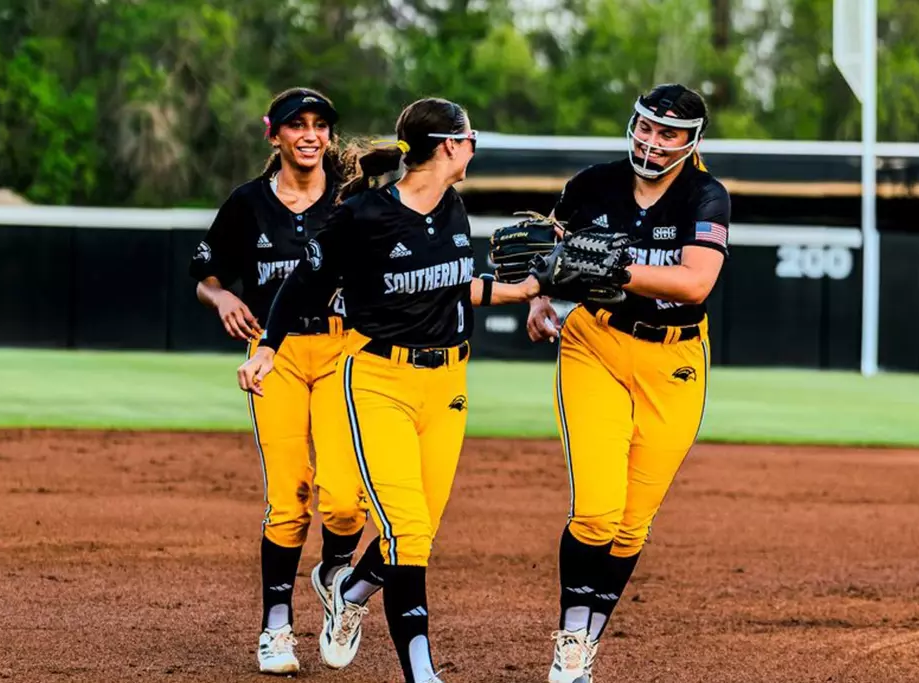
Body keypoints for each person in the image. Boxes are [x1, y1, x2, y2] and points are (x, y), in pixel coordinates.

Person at [239, 97, 542, 683]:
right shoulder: (363, 215)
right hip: (379, 380)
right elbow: (304, 283)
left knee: (423, 523)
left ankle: (351, 592)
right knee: (409, 531)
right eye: (470, 137)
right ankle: (421, 671)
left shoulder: (452, 207)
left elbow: (455, 286)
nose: (473, 147)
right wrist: (269, 348)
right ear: (449, 146)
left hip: (447, 384)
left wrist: (529, 290)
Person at [526, 83, 731, 683]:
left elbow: (695, 284)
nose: (652, 140)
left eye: (668, 133)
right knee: (597, 512)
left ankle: (588, 639)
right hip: (597, 343)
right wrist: (538, 297)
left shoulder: (705, 195)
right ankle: (570, 642)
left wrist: (617, 267)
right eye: (646, 127)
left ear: (691, 141)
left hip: (675, 359)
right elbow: (551, 252)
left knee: (632, 522)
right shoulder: (592, 184)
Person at [190, 87, 368, 675]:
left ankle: (334, 574)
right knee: (289, 497)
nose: (310, 135)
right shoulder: (248, 203)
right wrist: (221, 297)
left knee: (344, 499)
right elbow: (206, 274)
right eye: (297, 125)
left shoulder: (352, 199)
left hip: (344, 351)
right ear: (275, 134)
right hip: (277, 356)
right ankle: (276, 628)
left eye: (320, 125)